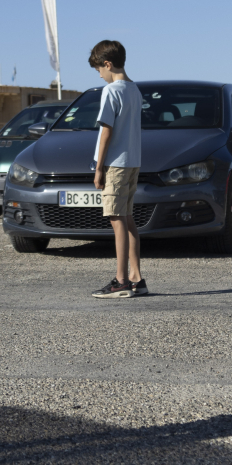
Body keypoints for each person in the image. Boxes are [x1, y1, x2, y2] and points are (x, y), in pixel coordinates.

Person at [88, 40, 144, 298]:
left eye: (99, 69)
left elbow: (106, 132)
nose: (100, 74)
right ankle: (136, 278)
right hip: (133, 162)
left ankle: (121, 281)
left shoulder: (111, 91)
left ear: (108, 64)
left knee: (116, 219)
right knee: (127, 217)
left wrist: (99, 169)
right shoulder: (135, 90)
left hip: (116, 165)